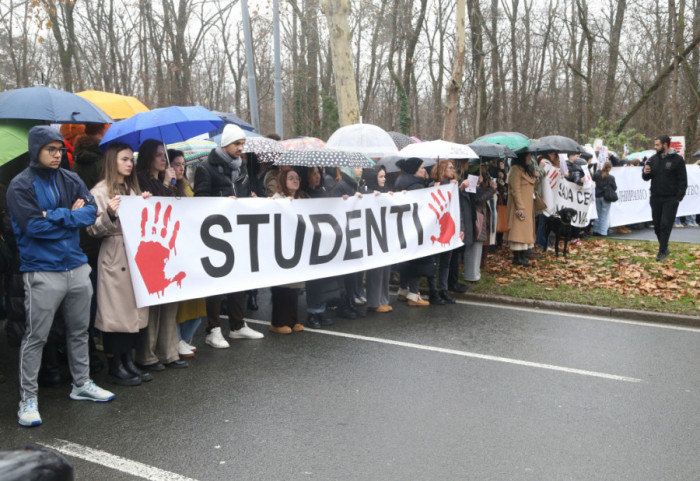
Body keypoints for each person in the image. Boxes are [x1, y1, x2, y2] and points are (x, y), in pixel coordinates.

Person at [8, 126, 114, 427]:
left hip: (76, 266)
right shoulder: (20, 185)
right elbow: (33, 229)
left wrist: (53, 215)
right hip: (41, 270)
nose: (57, 155)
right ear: (36, 150)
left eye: (60, 150)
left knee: (80, 331)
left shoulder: (71, 177)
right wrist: (69, 216)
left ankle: (81, 383)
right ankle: (28, 398)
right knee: (36, 337)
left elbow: (90, 213)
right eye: (51, 150)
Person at [87, 143, 152, 386]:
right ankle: (115, 365)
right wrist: (110, 214)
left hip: (133, 254)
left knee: (133, 311)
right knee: (116, 314)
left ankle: (128, 361)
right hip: (114, 254)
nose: (129, 163)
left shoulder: (132, 188)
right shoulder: (99, 191)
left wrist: (146, 203)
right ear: (112, 161)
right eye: (124, 159)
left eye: (131, 160)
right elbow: (91, 229)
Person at [194, 124, 264, 348]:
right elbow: (200, 200)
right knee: (216, 282)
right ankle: (213, 329)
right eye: (237, 144)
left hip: (237, 231)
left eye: (242, 144)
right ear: (225, 144)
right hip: (214, 234)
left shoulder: (242, 168)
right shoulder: (205, 168)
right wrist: (224, 202)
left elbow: (242, 194)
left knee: (238, 279)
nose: (241, 148)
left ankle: (237, 325)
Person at [135, 139, 187, 370]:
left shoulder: (165, 180)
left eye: (163, 155)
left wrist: (173, 184)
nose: (163, 159)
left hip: (170, 247)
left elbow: (180, 206)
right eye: (158, 155)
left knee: (169, 301)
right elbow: (157, 209)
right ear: (148, 157)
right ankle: (148, 355)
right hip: (150, 249)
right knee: (153, 302)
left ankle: (169, 352)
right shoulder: (140, 181)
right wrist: (166, 184)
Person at [170, 150, 205, 357]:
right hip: (175, 252)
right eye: (176, 164)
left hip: (190, 249)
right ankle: (176, 339)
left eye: (183, 164)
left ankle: (185, 337)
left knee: (196, 301)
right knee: (179, 303)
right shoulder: (167, 188)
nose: (181, 168)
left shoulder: (186, 187)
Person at [270, 169, 307, 334]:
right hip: (281, 248)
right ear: (283, 181)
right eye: (291, 178)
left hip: (296, 247)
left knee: (294, 287)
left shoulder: (302, 198)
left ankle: (293, 320)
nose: (295, 181)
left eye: (297, 178)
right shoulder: (276, 199)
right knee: (282, 287)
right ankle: (278, 322)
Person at [642, 134, 688, 261]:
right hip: (656, 197)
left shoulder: (677, 160)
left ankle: (661, 251)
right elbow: (646, 177)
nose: (655, 147)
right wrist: (645, 173)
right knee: (657, 225)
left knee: (665, 224)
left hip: (671, 198)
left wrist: (679, 198)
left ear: (665, 145)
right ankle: (664, 247)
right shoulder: (652, 159)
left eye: (657, 144)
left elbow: (683, 181)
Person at [394, 158, 431, 306]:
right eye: (422, 168)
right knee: (418, 260)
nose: (425, 170)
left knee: (406, 261)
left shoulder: (400, 182)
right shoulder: (416, 187)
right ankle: (414, 295)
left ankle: (403, 290)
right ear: (415, 170)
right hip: (416, 229)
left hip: (403, 228)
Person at [361, 166, 393, 313]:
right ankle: (374, 302)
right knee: (376, 270)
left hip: (384, 235)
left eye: (384, 176)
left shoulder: (385, 192)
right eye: (381, 176)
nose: (384, 179)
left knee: (386, 270)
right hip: (374, 236)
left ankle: (383, 299)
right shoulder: (367, 193)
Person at [506, 152, 536, 267]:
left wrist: (535, 177)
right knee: (518, 232)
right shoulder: (515, 170)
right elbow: (515, 189)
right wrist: (520, 207)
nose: (530, 158)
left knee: (524, 232)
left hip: (527, 206)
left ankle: (521, 256)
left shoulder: (524, 169)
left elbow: (529, 185)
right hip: (519, 206)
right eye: (528, 156)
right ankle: (517, 257)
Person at [592, 161, 617, 237]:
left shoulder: (596, 175)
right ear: (609, 168)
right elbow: (615, 187)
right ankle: (602, 232)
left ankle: (595, 230)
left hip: (597, 196)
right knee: (604, 215)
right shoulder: (611, 177)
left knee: (597, 214)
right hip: (606, 197)